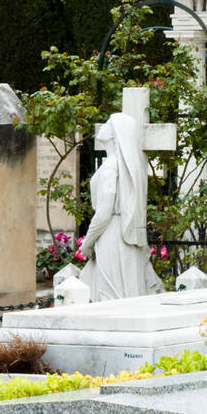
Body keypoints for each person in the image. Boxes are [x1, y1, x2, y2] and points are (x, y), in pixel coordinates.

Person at [80, 112, 163, 301]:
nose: (103, 126)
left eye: (108, 123)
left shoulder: (110, 167)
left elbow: (103, 214)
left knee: (110, 297)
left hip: (111, 236)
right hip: (122, 235)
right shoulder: (121, 167)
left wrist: (87, 244)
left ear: (115, 133)